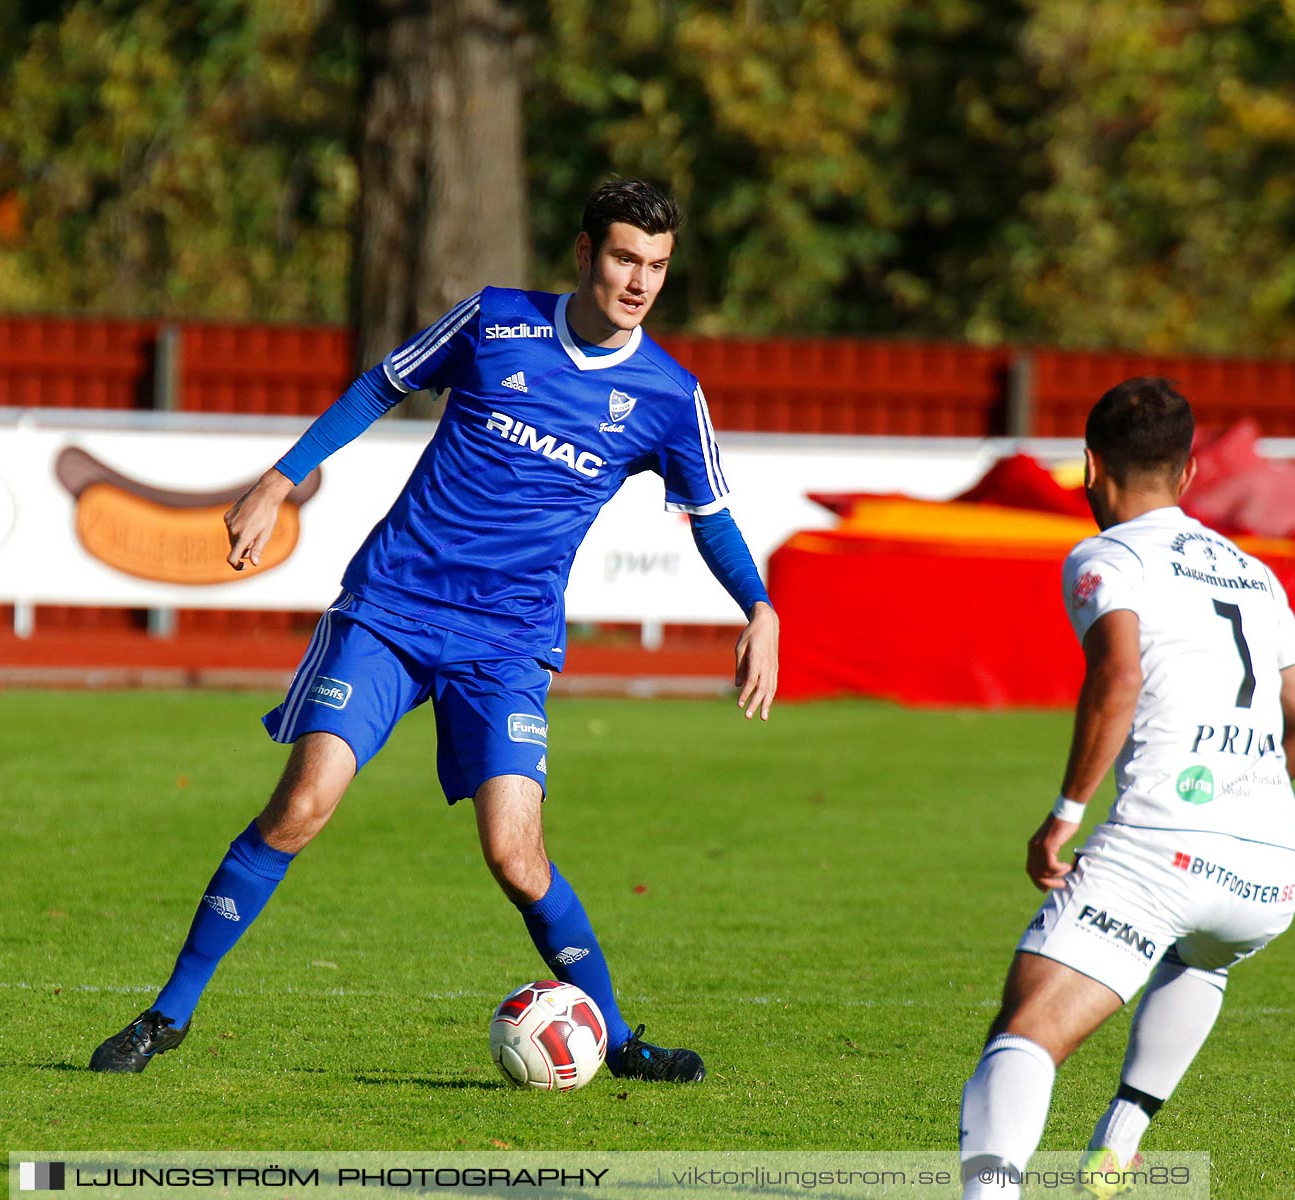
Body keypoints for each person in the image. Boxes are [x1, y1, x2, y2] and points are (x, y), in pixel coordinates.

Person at [89, 178, 780, 1081]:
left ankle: (617, 1040)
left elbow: (713, 515)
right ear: (583, 253)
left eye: (655, 265)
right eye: (622, 258)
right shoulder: (496, 321)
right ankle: (165, 1018)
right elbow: (384, 384)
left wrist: (759, 606)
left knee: (517, 855)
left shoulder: (667, 396)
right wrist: (280, 477)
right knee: (300, 808)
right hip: (392, 611)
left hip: (506, 647)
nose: (638, 281)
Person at [956, 377, 1295, 1198]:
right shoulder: (1252, 571)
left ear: (1090, 467)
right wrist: (1243, 788)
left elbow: (1118, 674)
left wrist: (1064, 815)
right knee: (1200, 948)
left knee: (1024, 1034)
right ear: (1191, 471)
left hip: (1161, 848)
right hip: (1272, 872)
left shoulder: (1108, 556)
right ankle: (1122, 1135)